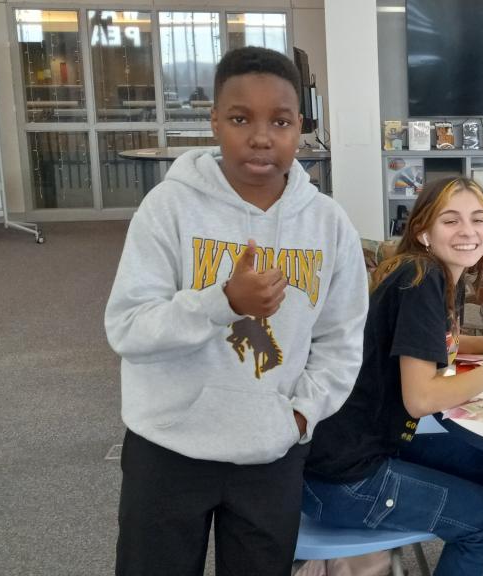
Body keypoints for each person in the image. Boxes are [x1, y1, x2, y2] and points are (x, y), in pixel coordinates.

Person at [104, 46, 368, 576]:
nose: (262, 137)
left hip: (271, 451)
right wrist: (222, 303)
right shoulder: (169, 207)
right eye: (241, 119)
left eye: (281, 121)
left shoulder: (328, 223)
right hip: (168, 447)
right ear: (214, 122)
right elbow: (128, 328)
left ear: (301, 127)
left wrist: (299, 416)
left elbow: (341, 340)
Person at [302, 177, 483, 576]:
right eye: (450, 220)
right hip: (344, 479)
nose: (468, 231)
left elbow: (437, 341)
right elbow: (422, 398)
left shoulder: (433, 271)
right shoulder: (422, 280)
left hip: (353, 450)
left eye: (477, 219)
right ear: (423, 231)